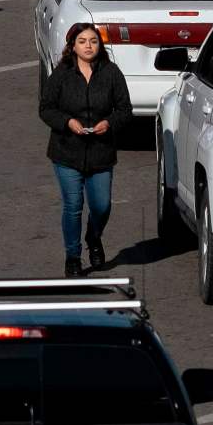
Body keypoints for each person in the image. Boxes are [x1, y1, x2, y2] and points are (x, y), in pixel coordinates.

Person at [37, 22, 129, 277]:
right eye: (83, 42)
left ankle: (94, 236)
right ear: (73, 47)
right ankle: (73, 257)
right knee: (73, 205)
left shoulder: (111, 73)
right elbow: (46, 109)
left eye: (93, 41)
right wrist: (68, 122)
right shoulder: (62, 74)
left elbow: (124, 110)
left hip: (101, 152)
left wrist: (108, 124)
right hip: (67, 152)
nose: (88, 46)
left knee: (101, 206)